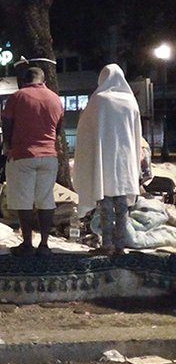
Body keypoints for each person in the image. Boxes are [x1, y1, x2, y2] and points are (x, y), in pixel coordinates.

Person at [74, 64, 142, 255]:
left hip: (103, 159)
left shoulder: (99, 99)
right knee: (122, 206)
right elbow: (137, 132)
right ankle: (120, 245)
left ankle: (106, 245)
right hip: (125, 161)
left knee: (105, 205)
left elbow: (86, 129)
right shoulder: (131, 101)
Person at [3, 66, 64, 256]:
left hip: (23, 155)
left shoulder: (16, 97)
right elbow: (59, 127)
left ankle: (27, 243)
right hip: (49, 156)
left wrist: (8, 146)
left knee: (24, 201)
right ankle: (44, 244)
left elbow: (7, 124)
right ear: (43, 80)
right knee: (46, 200)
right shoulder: (55, 99)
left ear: (24, 80)